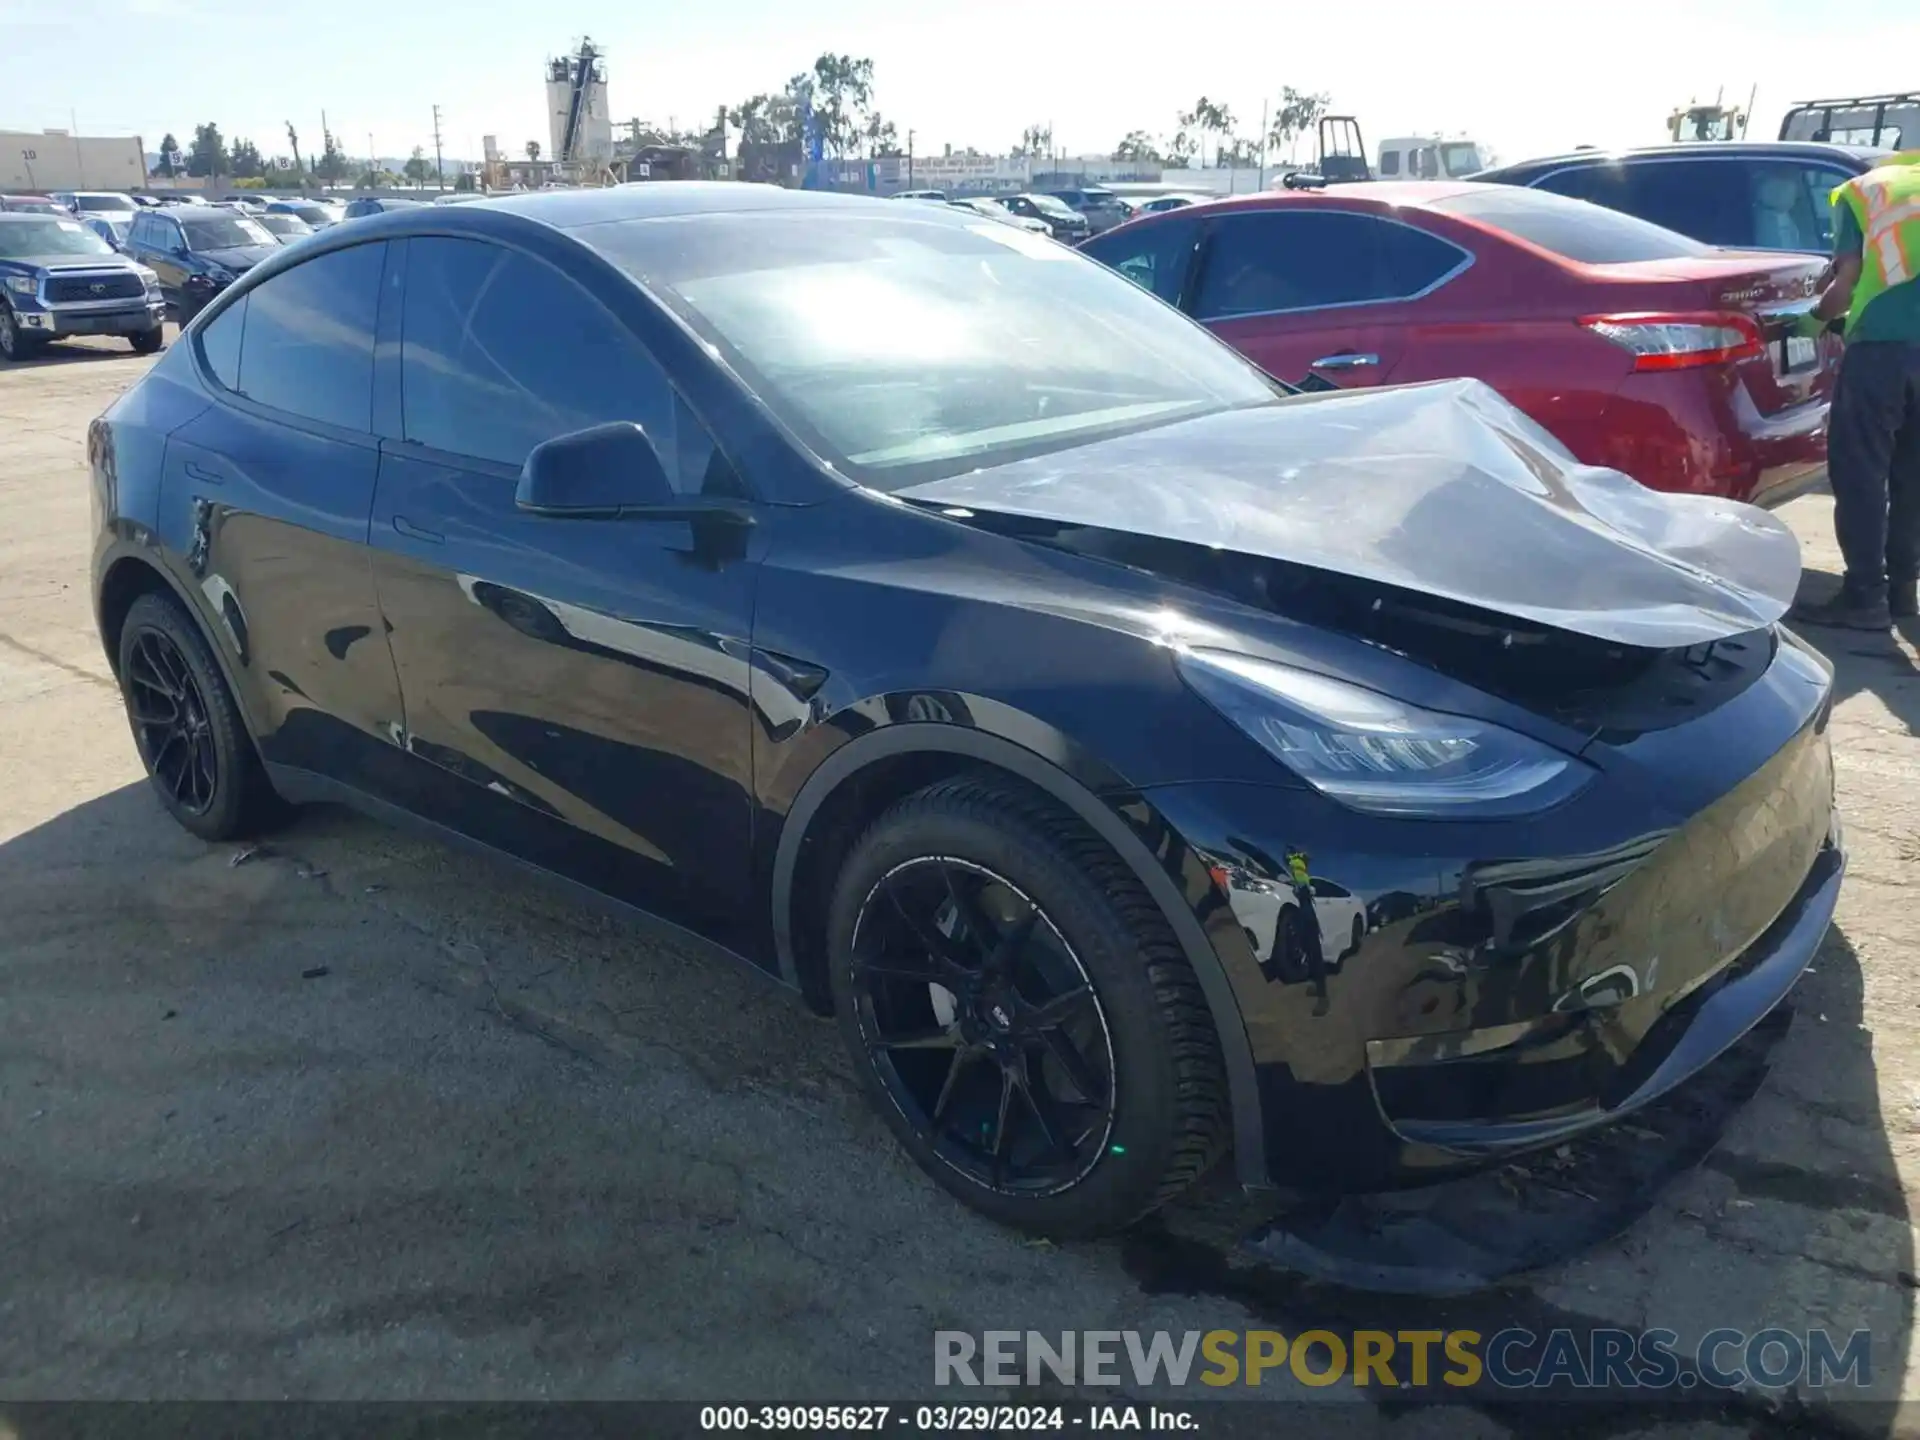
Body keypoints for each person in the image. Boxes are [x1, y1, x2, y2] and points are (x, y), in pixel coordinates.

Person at [1792, 151, 1920, 630]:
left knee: (1862, 471)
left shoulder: (1864, 193)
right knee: (1913, 473)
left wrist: (1815, 319)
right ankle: (1904, 590)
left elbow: (1846, 284)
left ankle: (1865, 596)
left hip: (1881, 353)